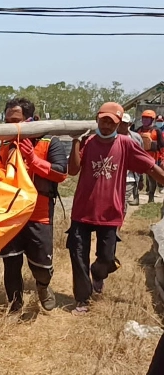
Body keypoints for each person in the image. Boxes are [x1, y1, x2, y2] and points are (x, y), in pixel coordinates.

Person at [66, 102, 164, 315]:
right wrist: (76, 141)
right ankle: (82, 299)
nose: (107, 125)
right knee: (77, 253)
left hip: (111, 212)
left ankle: (98, 273)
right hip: (83, 210)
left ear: (119, 124)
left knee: (107, 258)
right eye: (104, 120)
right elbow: (72, 170)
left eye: (112, 122)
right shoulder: (87, 142)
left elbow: (149, 166)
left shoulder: (126, 144)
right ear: (97, 119)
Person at [0, 98, 68, 313]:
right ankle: (15, 306)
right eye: (7, 121)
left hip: (39, 214)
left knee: (42, 267)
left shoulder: (50, 143)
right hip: (11, 214)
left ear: (32, 120)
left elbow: (62, 173)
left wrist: (32, 159)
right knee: (11, 262)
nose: (10, 126)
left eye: (16, 121)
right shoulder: (5, 145)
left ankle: (43, 288)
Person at [137, 109, 164, 202]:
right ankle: (136, 197)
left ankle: (151, 197)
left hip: (152, 158)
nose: (145, 121)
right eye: (144, 119)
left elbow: (162, 147)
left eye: (147, 119)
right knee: (136, 178)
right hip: (139, 158)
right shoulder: (138, 130)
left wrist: (162, 159)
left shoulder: (157, 131)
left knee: (152, 179)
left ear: (152, 120)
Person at [118, 113, 142, 210]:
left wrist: (140, 180)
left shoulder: (136, 138)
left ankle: (118, 224)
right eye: (120, 123)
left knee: (122, 202)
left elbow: (141, 158)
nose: (122, 125)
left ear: (129, 124)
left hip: (129, 178)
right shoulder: (111, 138)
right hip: (114, 176)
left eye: (125, 123)